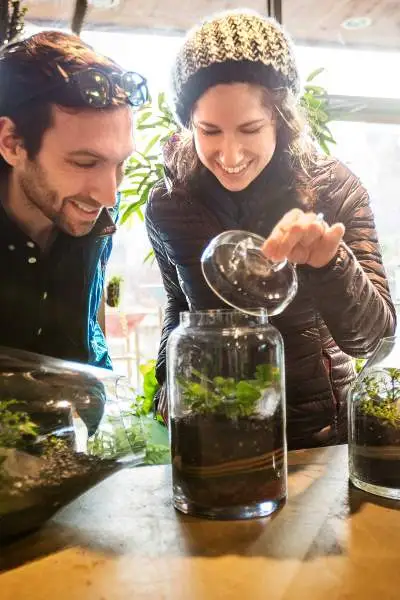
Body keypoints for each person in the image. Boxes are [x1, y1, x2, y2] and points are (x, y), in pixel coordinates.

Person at [145, 10, 396, 449]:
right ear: (189, 125)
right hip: (215, 430)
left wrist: (330, 263)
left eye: (250, 129)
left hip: (317, 437)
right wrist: (168, 383)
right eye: (209, 131)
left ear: (280, 118)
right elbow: (177, 302)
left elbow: (376, 339)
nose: (230, 153)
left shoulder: (334, 189)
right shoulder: (168, 203)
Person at [0, 30, 148, 368]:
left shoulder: (94, 207)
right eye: (85, 162)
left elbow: (87, 332)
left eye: (120, 163)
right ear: (11, 143)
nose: (109, 195)